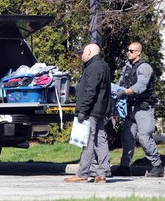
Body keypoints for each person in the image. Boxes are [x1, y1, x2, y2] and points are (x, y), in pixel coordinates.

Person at [112, 42, 163, 177]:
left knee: (144, 137)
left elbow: (140, 86)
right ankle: (124, 166)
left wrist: (123, 92)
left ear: (138, 52)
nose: (128, 53)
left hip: (143, 107)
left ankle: (157, 166)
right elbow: (121, 83)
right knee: (127, 136)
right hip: (131, 107)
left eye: (131, 51)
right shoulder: (128, 67)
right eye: (128, 50)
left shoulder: (144, 67)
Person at [64, 43, 112, 183]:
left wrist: (83, 110)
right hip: (100, 111)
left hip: (91, 111)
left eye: (83, 53)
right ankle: (102, 174)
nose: (82, 56)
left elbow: (90, 91)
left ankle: (82, 173)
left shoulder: (94, 67)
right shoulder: (104, 66)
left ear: (90, 52)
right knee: (101, 141)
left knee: (88, 141)